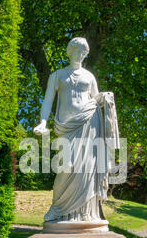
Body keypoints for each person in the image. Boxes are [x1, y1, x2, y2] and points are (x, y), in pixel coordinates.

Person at [34, 37, 111, 225]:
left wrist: (105, 97)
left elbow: (95, 98)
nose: (80, 55)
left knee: (87, 169)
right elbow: (47, 101)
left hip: (89, 124)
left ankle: (86, 213)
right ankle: (58, 209)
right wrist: (43, 123)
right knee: (65, 167)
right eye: (77, 51)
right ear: (69, 52)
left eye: (83, 52)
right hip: (67, 127)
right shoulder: (57, 75)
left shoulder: (89, 76)